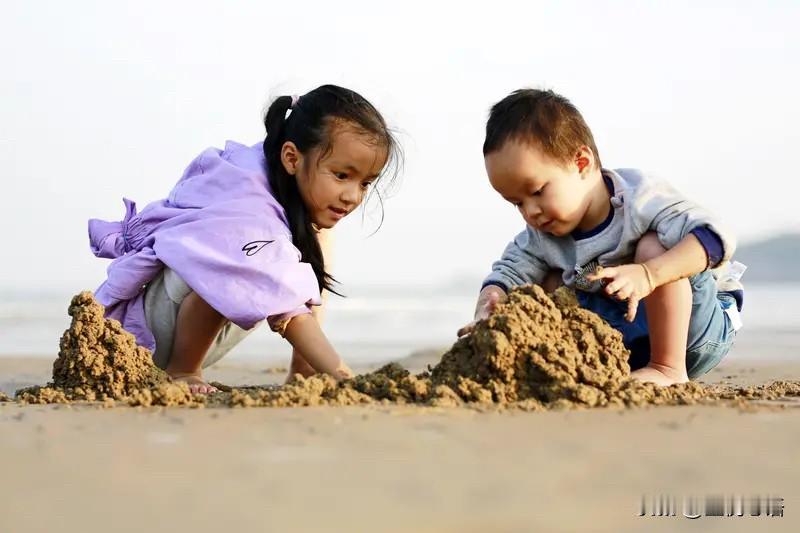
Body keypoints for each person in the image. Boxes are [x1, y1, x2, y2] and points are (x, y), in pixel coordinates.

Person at [89, 85, 401, 393]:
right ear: (292, 158)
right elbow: (287, 309)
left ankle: (303, 367)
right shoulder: (248, 209)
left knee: (309, 244)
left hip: (179, 325)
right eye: (342, 176)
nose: (352, 196)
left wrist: (306, 370)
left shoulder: (283, 185)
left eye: (365, 184)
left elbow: (298, 283)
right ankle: (183, 370)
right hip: (140, 338)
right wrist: (342, 375)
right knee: (236, 261)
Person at [458, 88, 744, 386]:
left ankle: (667, 368)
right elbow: (508, 272)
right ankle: (579, 363)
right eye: (517, 202)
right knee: (543, 283)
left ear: (581, 163)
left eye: (538, 191)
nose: (531, 212)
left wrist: (648, 274)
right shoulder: (541, 235)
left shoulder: (640, 199)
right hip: (625, 341)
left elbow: (716, 239)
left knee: (652, 246)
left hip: (695, 330)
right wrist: (489, 305)